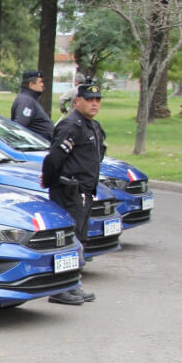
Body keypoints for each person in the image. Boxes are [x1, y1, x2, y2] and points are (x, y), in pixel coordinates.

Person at [42, 82, 106, 306]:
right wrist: (50, 182)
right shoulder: (72, 125)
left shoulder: (91, 125)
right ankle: (62, 288)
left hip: (85, 191)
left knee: (80, 238)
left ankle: (72, 283)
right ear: (77, 101)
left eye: (97, 100)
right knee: (70, 240)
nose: (94, 103)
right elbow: (54, 158)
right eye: (89, 99)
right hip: (70, 191)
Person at [10, 70, 54, 140]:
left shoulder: (29, 99)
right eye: (40, 82)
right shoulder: (26, 101)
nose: (42, 84)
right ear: (31, 84)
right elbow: (20, 126)